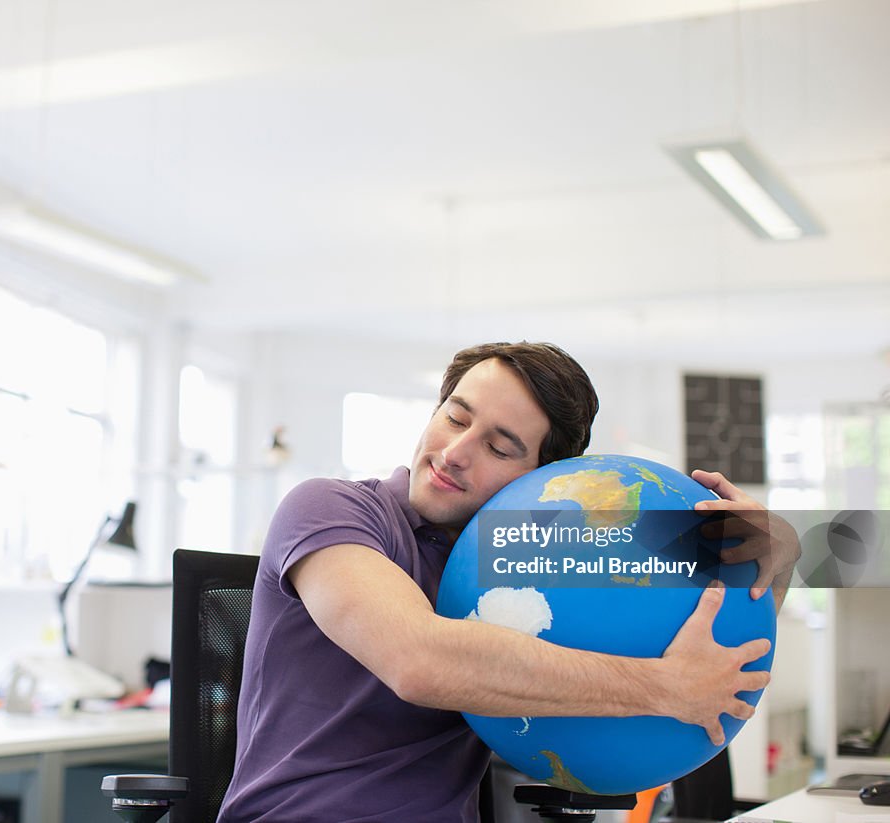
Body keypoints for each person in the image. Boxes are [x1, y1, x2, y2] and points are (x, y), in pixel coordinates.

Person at [217, 341, 798, 822]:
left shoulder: (523, 562)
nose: (455, 453)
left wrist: (779, 557)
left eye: (499, 447)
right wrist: (664, 685)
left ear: (538, 484)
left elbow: (710, 642)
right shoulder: (329, 509)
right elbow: (417, 659)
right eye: (455, 417)